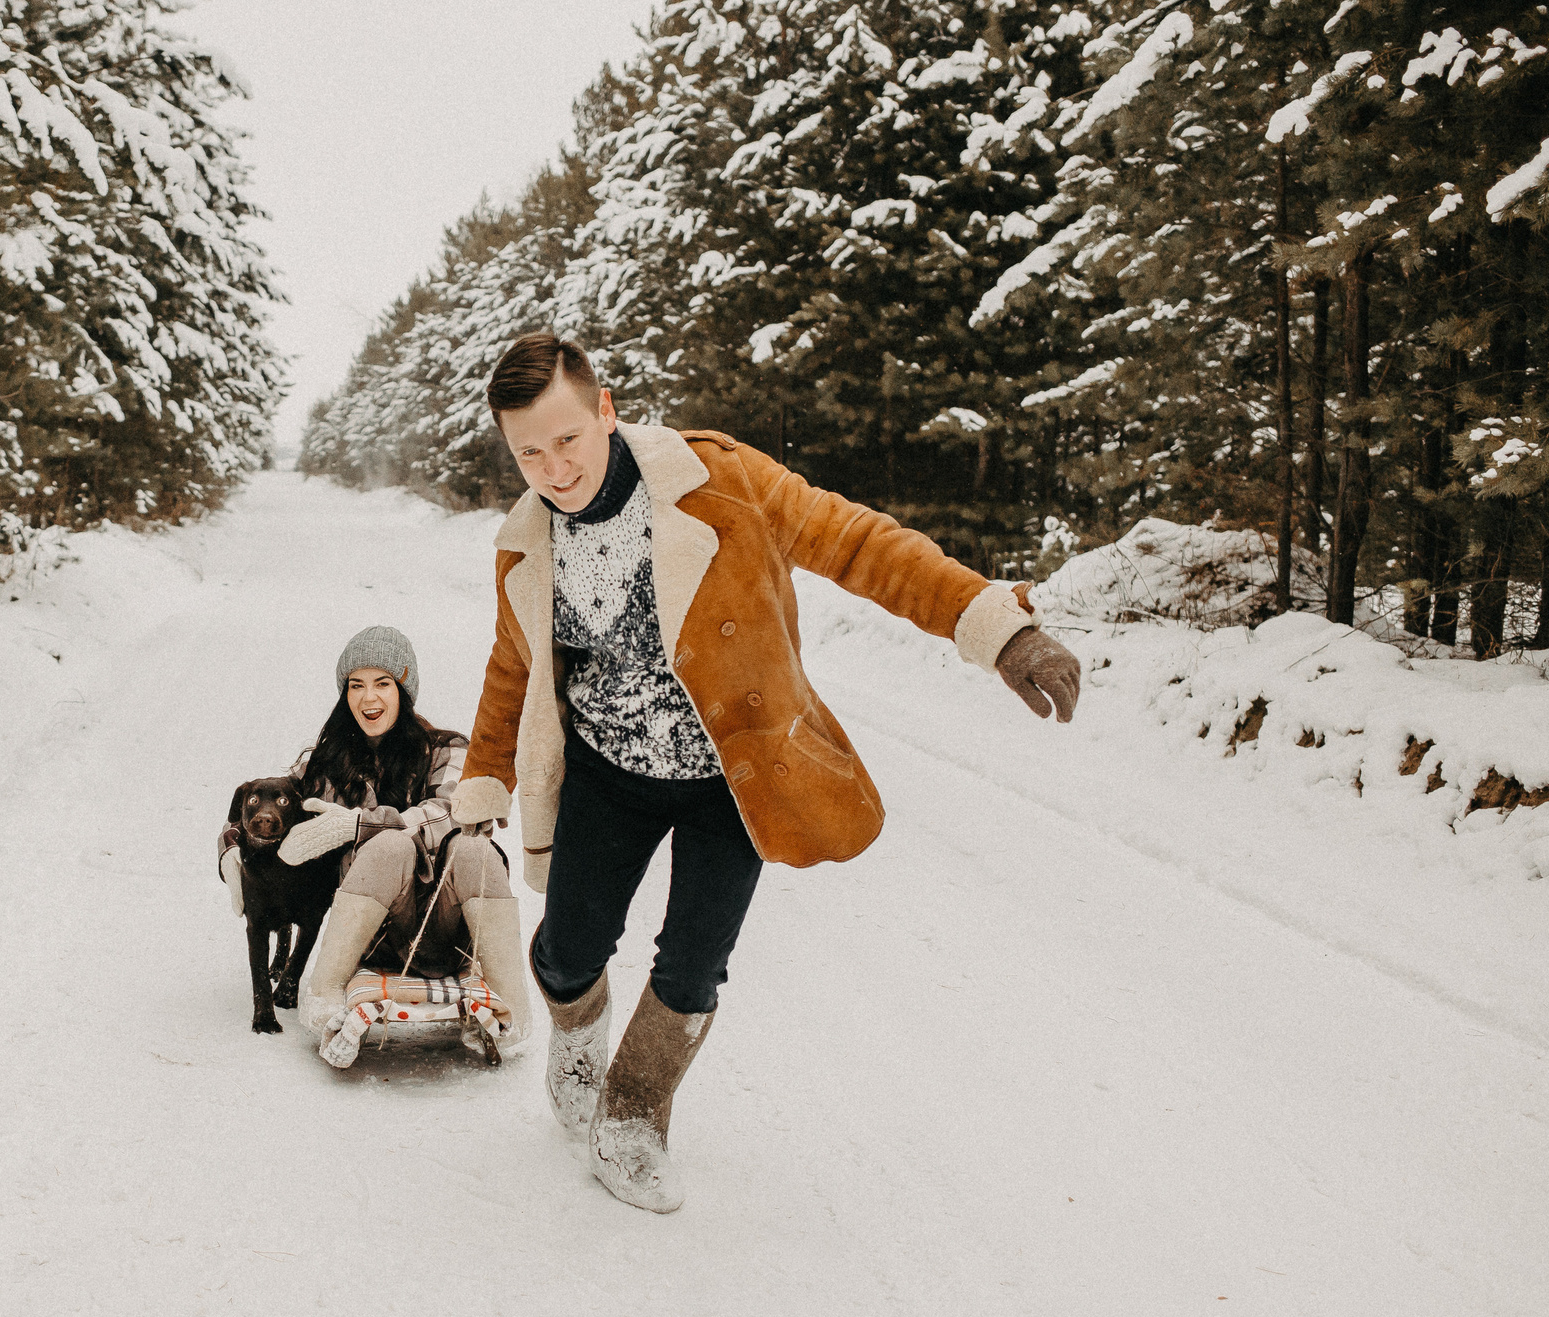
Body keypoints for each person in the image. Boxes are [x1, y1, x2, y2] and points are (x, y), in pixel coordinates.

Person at [442, 332, 1083, 1213]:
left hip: (731, 775)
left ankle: (632, 1116)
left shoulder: (717, 480)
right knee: (569, 951)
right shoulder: (527, 545)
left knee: (694, 963)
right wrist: (483, 779)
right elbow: (512, 667)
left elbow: (856, 540)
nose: (554, 467)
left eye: (568, 439)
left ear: (606, 411)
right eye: (529, 452)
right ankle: (579, 1039)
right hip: (607, 771)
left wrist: (993, 624)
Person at [217, 626, 534, 1067]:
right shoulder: (323, 764)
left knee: (470, 848)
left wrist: (363, 823)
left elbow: (456, 812)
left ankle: (515, 1009)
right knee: (389, 849)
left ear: (404, 690)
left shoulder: (448, 749)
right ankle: (324, 995)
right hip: (372, 931)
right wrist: (230, 849)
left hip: (449, 926)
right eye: (356, 685)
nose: (369, 698)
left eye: (383, 683)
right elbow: (267, 807)